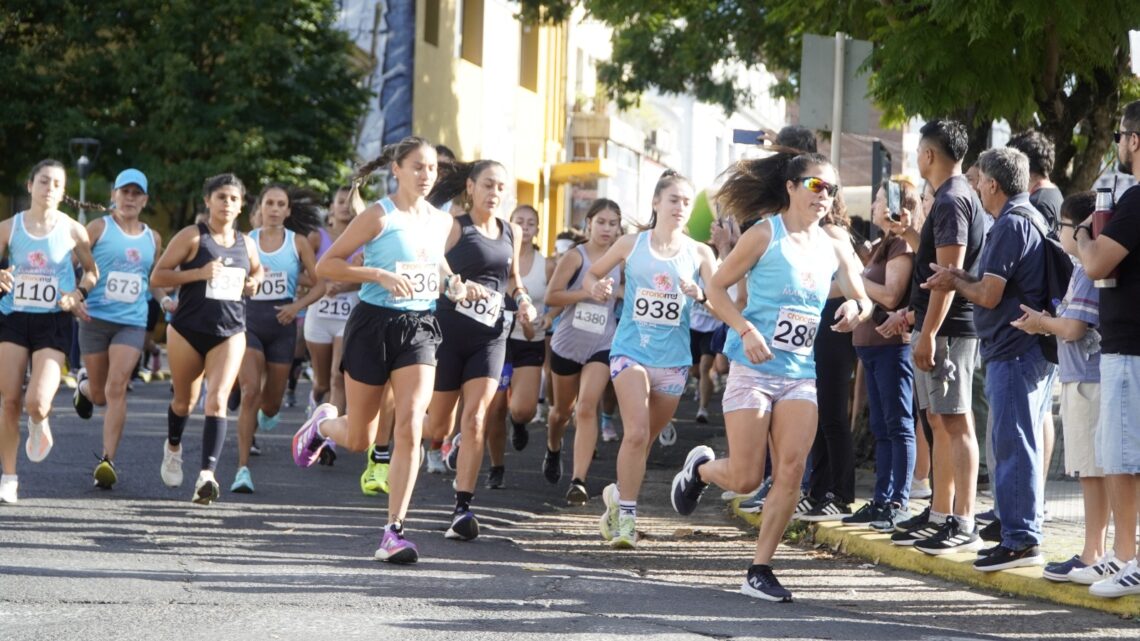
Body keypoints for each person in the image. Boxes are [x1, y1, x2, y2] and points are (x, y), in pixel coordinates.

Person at [670, 152, 871, 601]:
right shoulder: (764, 234)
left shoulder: (836, 242)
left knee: (792, 471)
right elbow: (716, 288)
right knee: (745, 478)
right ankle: (701, 471)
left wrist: (855, 309)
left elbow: (864, 298)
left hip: (800, 374)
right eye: (815, 185)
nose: (824, 195)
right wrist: (745, 329)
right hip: (754, 368)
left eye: (831, 189)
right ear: (791, 187)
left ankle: (759, 569)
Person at [293, 136, 464, 564]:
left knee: (410, 423)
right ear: (397, 170)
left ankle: (394, 531)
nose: (426, 175)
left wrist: (454, 284)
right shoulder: (379, 215)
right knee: (360, 438)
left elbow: (437, 265)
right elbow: (327, 265)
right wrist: (377, 275)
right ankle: (322, 426)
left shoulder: (442, 221)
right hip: (373, 325)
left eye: (432, 168)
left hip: (420, 326)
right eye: (418, 167)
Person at [922, 148, 1055, 567]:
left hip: (1014, 353)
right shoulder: (1027, 216)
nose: (976, 187)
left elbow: (989, 294)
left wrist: (955, 282)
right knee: (1016, 442)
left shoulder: (1012, 223)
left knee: (1013, 444)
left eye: (979, 180)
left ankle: (1020, 540)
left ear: (993, 184)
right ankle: (1016, 526)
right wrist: (959, 276)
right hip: (1021, 350)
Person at [586, 170, 719, 549]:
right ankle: (628, 520)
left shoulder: (700, 253)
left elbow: (721, 301)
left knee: (641, 444)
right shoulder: (631, 244)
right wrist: (597, 287)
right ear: (656, 202)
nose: (681, 207)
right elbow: (592, 274)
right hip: (631, 351)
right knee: (636, 433)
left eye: (687, 202)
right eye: (674, 199)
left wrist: (701, 295)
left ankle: (616, 496)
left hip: (674, 360)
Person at [422, 160, 537, 541]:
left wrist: (523, 300)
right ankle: (395, 433)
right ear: (470, 187)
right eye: (488, 185)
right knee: (438, 426)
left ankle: (462, 508)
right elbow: (432, 267)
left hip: (490, 337)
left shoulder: (511, 231)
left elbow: (513, 280)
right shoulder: (454, 227)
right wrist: (453, 285)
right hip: (448, 335)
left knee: (475, 419)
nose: (494, 193)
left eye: (501, 187)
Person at [888, 120, 989, 552]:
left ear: (928, 154)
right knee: (938, 420)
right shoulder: (951, 196)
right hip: (937, 327)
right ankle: (940, 512)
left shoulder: (951, 199)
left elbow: (948, 275)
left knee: (956, 421)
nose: (916, 158)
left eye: (917, 151)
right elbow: (937, 263)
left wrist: (928, 332)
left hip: (950, 329)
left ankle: (963, 520)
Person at [1012, 191, 1109, 582]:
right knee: (1093, 471)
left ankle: (1093, 554)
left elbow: (1072, 328)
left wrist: (1041, 323)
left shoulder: (1086, 271)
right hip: (1083, 377)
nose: (1058, 233)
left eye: (1063, 226)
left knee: (1092, 472)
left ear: (1082, 227)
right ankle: (1096, 551)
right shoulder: (1082, 269)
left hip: (1087, 380)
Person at [151, 173, 262, 505]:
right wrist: (198, 274)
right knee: (183, 402)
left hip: (230, 331)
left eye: (233, 199)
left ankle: (206, 476)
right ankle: (173, 448)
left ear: (241, 206)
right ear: (208, 201)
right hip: (187, 331)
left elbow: (258, 270)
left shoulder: (247, 243)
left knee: (217, 400)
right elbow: (158, 276)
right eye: (221, 197)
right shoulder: (193, 236)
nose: (227, 203)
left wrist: (254, 282)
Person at [0, 160, 98, 505]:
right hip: (13, 317)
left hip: (54, 319)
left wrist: (77, 294)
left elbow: (92, 272)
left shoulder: (73, 230)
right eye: (44, 181)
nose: (50, 188)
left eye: (57, 183)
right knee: (9, 400)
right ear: (30, 186)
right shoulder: (9, 227)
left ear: (63, 191)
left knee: (36, 402)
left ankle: (39, 420)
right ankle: (9, 477)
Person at [1074, 100, 1140, 597]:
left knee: (1122, 458)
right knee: (1120, 455)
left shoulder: (1135, 199)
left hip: (1129, 348)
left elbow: (1096, 263)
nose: (1118, 143)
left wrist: (1082, 233)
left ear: (1134, 140)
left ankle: (1128, 558)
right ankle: (1121, 556)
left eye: (1120, 135)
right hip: (1126, 346)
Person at [72, 169, 164, 490]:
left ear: (145, 200)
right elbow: (73, 264)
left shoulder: (153, 238)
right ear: (114, 195)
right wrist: (74, 296)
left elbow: (153, 279)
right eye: (125, 192)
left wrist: (166, 299)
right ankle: (84, 388)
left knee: (117, 387)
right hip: (95, 319)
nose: (130, 198)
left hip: (132, 321)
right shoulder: (98, 228)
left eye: (137, 193)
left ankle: (107, 461)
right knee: (99, 395)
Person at [230, 185, 325, 493]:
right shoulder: (246, 241)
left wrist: (296, 306)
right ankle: (242, 469)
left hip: (283, 325)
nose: (274, 209)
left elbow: (321, 284)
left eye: (280, 204)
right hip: (250, 321)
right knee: (250, 392)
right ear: (260, 208)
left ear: (287, 210)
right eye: (269, 203)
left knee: (270, 405)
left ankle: (264, 413)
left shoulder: (298, 242)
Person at [842, 178, 917, 532]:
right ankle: (881, 498)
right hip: (870, 347)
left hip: (892, 347)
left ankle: (898, 501)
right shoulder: (882, 243)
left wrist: (855, 278)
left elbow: (889, 295)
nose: (873, 206)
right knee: (881, 427)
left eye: (879, 199)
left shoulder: (901, 243)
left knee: (898, 425)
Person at [545, 198, 623, 504]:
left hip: (602, 343)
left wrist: (620, 293)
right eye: (601, 222)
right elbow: (552, 296)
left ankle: (578, 480)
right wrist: (587, 291)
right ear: (588, 223)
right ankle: (553, 448)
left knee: (587, 407)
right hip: (568, 342)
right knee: (561, 413)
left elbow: (627, 290)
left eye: (613, 223)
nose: (606, 228)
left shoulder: (621, 259)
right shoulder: (575, 256)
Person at [798, 192, 860, 522]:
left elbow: (857, 275)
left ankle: (841, 494)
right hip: (818, 330)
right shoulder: (811, 233)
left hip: (835, 329)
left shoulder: (832, 232)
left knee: (833, 415)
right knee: (821, 414)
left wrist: (818, 289)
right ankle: (818, 490)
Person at [484, 204, 554, 489]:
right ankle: (496, 467)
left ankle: (520, 423)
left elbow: (558, 297)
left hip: (529, 340)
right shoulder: (496, 256)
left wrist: (550, 316)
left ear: (537, 229)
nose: (525, 227)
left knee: (522, 410)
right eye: (519, 221)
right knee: (496, 407)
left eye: (530, 223)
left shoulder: (546, 264)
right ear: (509, 224)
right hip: (497, 338)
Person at [304, 185, 365, 415]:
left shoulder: (367, 238)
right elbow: (299, 272)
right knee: (322, 383)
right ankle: (315, 397)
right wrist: (322, 284)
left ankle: (327, 431)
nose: (345, 207)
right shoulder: (316, 237)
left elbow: (373, 278)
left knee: (337, 377)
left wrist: (348, 284)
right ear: (331, 207)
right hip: (319, 311)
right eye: (340, 202)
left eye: (350, 203)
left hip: (350, 311)